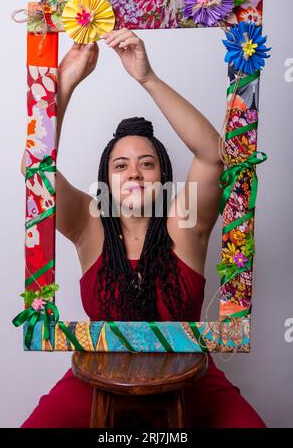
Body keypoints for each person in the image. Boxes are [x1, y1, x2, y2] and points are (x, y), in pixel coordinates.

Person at [20, 28, 266, 428]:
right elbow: (36, 172)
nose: (134, 171)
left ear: (163, 174)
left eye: (147, 163)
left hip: (191, 380)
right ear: (107, 177)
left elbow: (215, 155)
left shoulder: (185, 222)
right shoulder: (88, 222)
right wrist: (63, 83)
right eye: (121, 165)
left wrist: (147, 77)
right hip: (96, 379)